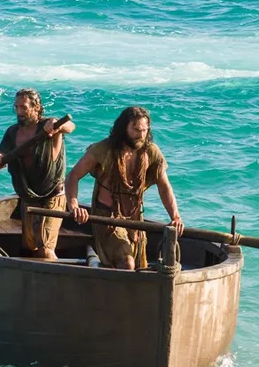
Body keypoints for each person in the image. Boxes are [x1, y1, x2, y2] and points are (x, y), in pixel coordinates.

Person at [66, 105, 183, 270]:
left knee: (138, 265)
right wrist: (74, 205)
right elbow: (73, 176)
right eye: (135, 130)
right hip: (107, 218)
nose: (140, 135)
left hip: (135, 218)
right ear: (124, 128)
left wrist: (175, 217)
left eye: (144, 130)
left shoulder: (151, 152)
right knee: (126, 262)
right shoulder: (104, 149)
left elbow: (164, 187)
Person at [0, 88, 75, 260]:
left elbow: (70, 126)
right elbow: (1, 154)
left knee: (45, 247)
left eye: (24, 107)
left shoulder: (48, 125)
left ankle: (58, 282)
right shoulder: (12, 132)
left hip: (53, 194)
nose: (19, 112)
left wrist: (56, 124)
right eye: (16, 107)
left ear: (36, 107)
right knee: (30, 248)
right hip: (28, 196)